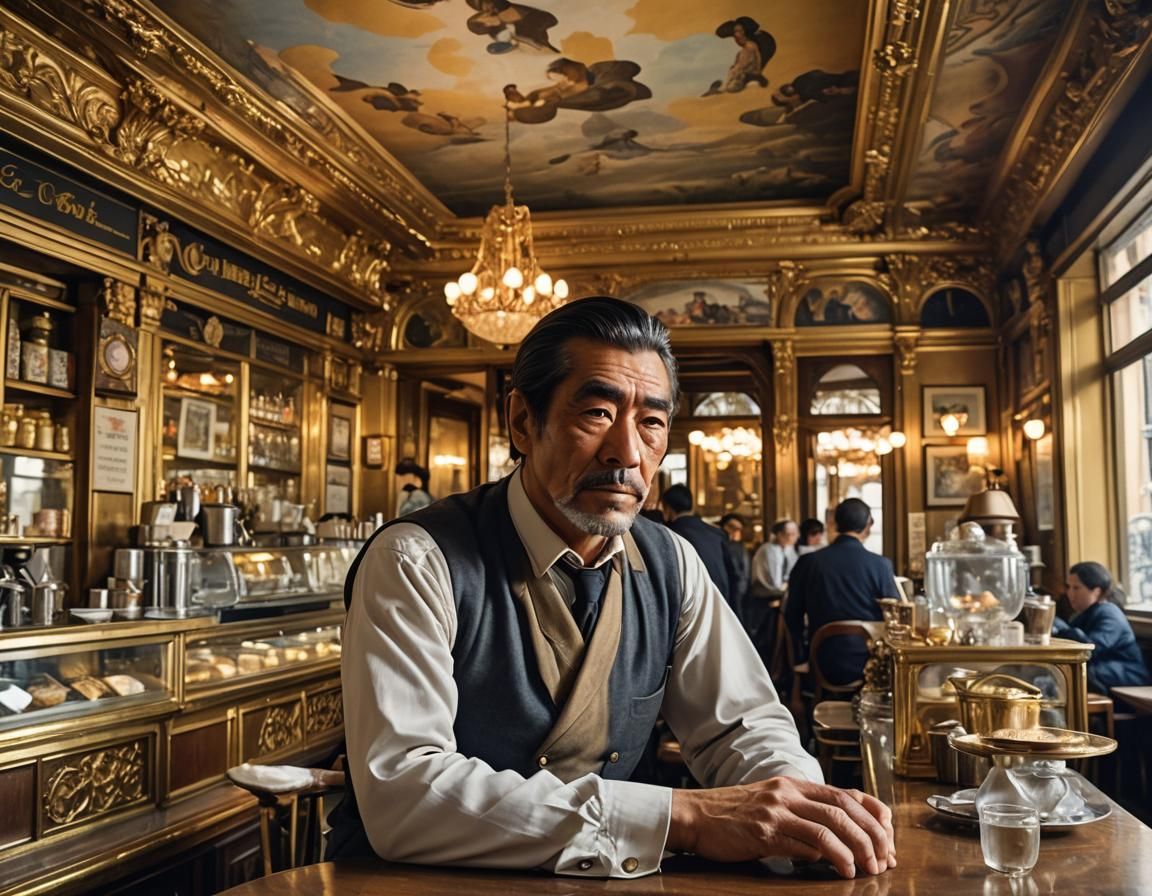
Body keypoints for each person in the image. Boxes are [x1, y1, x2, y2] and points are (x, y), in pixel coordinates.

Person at [328, 296, 895, 879]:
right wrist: (685, 818)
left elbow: (741, 725)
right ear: (523, 421)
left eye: (651, 422)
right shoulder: (418, 558)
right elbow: (403, 792)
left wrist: (801, 815)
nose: (627, 453)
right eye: (597, 413)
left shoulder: (672, 560)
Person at [784, 498, 900, 687]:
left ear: (835, 524)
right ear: (869, 525)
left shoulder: (809, 562)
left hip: (821, 658)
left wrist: (801, 658)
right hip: (871, 663)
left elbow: (792, 615)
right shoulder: (881, 565)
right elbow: (892, 616)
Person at [1053, 561, 1151, 693]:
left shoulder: (1109, 613)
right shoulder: (1080, 615)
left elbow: (1092, 649)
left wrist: (1062, 628)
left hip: (1126, 677)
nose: (1070, 593)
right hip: (1103, 674)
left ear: (1096, 591)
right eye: (1069, 587)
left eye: (1076, 588)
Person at [660, 484, 740, 609]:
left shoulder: (670, 535)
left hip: (691, 608)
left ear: (668, 508)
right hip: (722, 604)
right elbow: (733, 576)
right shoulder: (716, 533)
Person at [751, 519, 799, 594]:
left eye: (796, 534)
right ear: (780, 535)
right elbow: (775, 581)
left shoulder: (789, 548)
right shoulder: (769, 550)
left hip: (780, 592)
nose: (796, 537)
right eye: (791, 534)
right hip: (766, 594)